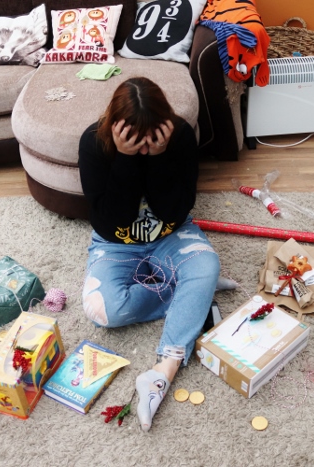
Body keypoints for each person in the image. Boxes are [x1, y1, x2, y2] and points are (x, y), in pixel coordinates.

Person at [78, 77, 221, 431]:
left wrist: (159, 158)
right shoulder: (93, 142)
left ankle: (165, 367)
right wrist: (125, 159)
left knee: (207, 265)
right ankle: (194, 292)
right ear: (116, 128)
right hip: (115, 242)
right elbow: (110, 220)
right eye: (135, 142)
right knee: (102, 311)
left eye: (150, 141)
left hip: (171, 234)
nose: (143, 149)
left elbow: (176, 210)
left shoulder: (180, 136)